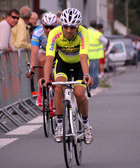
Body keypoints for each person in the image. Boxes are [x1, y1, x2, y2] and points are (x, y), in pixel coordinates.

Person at [39, 8, 94, 144]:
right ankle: (59, 125)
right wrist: (46, 77)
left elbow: (83, 57)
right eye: (66, 26)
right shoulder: (54, 33)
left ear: (77, 27)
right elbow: (49, 58)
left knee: (80, 93)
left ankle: (86, 126)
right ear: (61, 25)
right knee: (58, 88)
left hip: (79, 66)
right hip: (62, 64)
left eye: (72, 27)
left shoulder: (83, 33)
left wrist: (86, 75)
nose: (69, 30)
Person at [26, 12, 57, 106]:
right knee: (41, 60)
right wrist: (31, 68)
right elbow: (34, 53)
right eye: (46, 27)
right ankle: (41, 89)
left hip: (57, 52)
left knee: (57, 77)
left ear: (56, 26)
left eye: (51, 27)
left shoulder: (60, 31)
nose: (48, 30)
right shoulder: (37, 32)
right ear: (42, 25)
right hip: (44, 50)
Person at [88, 21, 108, 90]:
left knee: (88, 72)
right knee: (94, 72)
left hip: (86, 55)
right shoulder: (97, 34)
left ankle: (88, 85)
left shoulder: (86, 32)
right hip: (95, 55)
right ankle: (94, 86)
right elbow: (105, 41)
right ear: (96, 26)